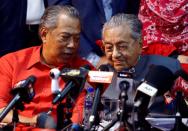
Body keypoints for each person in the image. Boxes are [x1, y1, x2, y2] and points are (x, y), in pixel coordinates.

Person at [0, 5, 94, 130]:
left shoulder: (84, 70)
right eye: (65, 37)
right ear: (44, 34)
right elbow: (1, 110)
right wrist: (33, 121)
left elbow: (79, 118)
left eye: (77, 39)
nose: (72, 45)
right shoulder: (11, 62)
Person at [99, 13, 183, 130]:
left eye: (122, 46)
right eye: (109, 48)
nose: (115, 55)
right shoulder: (102, 74)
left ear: (140, 44)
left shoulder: (169, 67)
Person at [60, 0, 140, 68]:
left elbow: (132, 13)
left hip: (126, 60)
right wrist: (93, 59)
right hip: (82, 60)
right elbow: (61, 16)